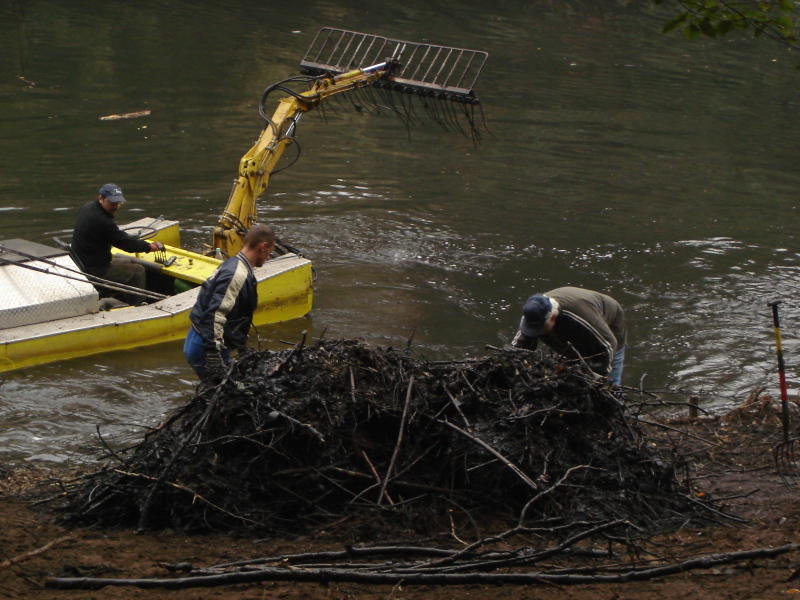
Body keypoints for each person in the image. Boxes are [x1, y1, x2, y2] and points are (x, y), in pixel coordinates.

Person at [183, 224, 276, 379]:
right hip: (204, 345)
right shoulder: (236, 274)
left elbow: (237, 313)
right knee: (228, 394)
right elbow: (215, 313)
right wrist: (213, 354)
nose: (268, 257)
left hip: (200, 338)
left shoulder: (233, 264)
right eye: (270, 252)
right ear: (263, 246)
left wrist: (241, 347)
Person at [511, 287, 627, 386]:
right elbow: (520, 346)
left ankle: (617, 404)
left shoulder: (579, 316)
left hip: (608, 329)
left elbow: (609, 345)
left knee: (608, 384)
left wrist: (598, 379)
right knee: (572, 370)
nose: (536, 332)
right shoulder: (534, 315)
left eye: (539, 328)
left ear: (552, 318)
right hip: (573, 329)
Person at [71, 183, 164, 305]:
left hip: (83, 262)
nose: (116, 206)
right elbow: (127, 245)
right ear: (101, 198)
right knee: (137, 270)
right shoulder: (102, 221)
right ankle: (139, 306)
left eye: (119, 203)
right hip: (95, 270)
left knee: (126, 262)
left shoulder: (87, 207)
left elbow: (114, 236)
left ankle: (127, 298)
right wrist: (149, 246)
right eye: (112, 203)